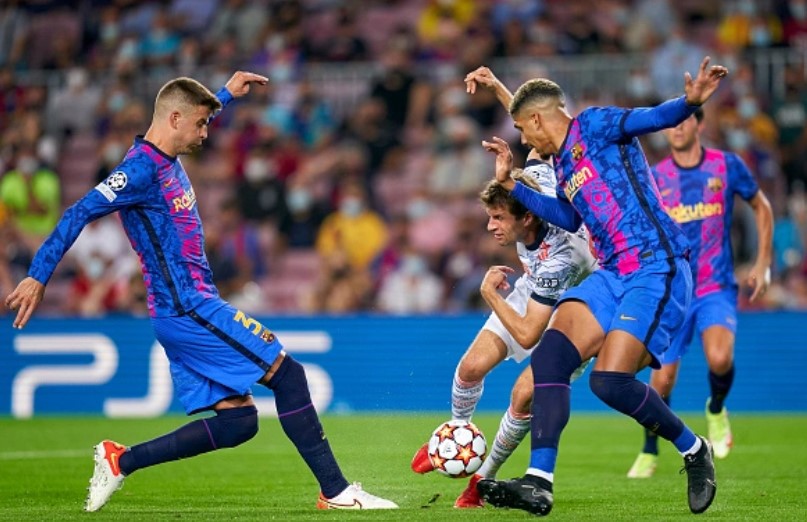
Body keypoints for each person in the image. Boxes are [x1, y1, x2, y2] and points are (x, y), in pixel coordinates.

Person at [4, 71, 397, 512]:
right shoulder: (138, 170)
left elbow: (191, 109)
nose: (206, 133)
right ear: (174, 119)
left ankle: (121, 461)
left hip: (188, 307)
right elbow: (78, 212)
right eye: (201, 124)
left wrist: (226, 93)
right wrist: (38, 275)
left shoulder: (168, 151)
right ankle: (336, 492)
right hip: (186, 307)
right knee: (289, 376)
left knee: (238, 422)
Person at [471, 57, 728, 516]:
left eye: (522, 129)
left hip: (656, 264)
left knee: (609, 382)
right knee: (550, 356)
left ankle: (694, 449)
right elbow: (569, 217)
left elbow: (652, 118)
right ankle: (539, 482)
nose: (523, 139)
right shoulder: (563, 164)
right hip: (611, 274)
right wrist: (510, 183)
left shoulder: (596, 124)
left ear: (537, 120)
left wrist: (688, 103)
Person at [410, 66, 597, 509]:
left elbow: (530, 334)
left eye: (498, 219)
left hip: (575, 311)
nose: (491, 227)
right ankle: (455, 435)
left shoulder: (563, 255)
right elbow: (534, 125)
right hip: (533, 289)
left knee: (523, 394)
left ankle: (480, 481)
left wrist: (491, 295)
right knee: (470, 368)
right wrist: (496, 86)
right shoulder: (535, 180)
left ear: (527, 217)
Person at [626, 106, 773, 478]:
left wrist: (762, 262)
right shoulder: (656, 177)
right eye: (671, 123)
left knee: (720, 358)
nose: (677, 128)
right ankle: (649, 449)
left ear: (700, 124)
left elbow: (761, 206)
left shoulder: (726, 166)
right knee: (661, 382)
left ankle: (716, 409)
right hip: (674, 291)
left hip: (714, 285)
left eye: (685, 120)